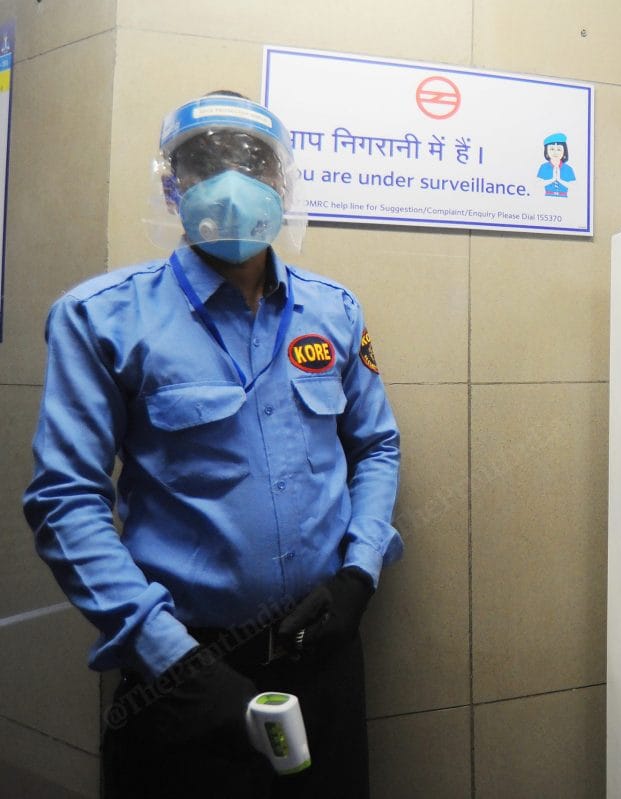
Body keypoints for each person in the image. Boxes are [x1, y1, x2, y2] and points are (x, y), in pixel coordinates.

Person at [23, 91, 402, 798]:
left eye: (253, 163)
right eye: (205, 165)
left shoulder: (334, 309)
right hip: (180, 670)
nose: (232, 185)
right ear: (172, 188)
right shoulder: (102, 318)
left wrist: (359, 573)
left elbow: (376, 446)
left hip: (322, 655)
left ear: (281, 187)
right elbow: (64, 501)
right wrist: (170, 658)